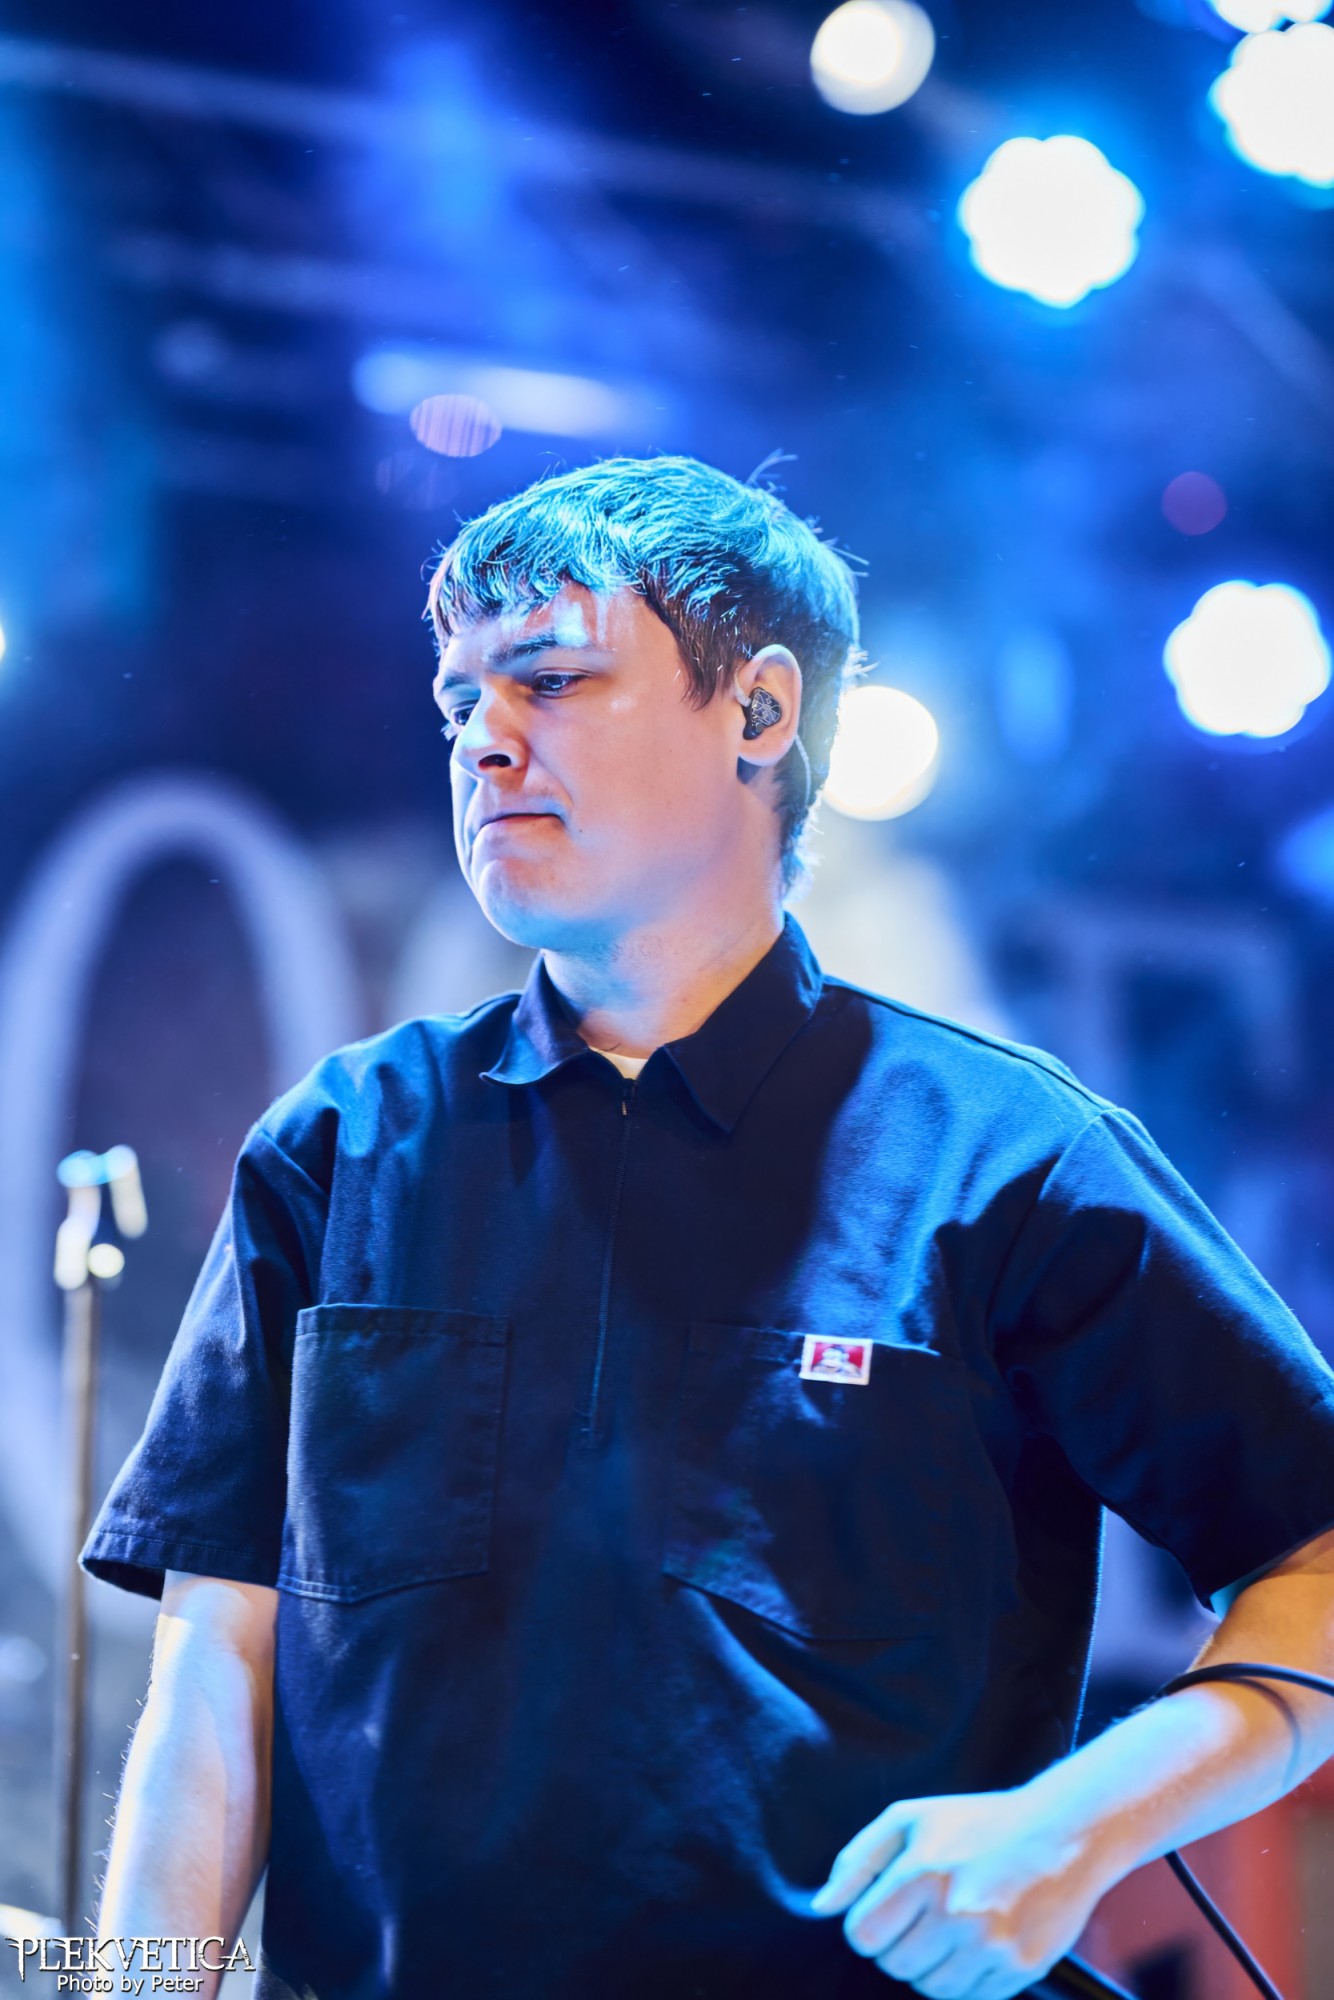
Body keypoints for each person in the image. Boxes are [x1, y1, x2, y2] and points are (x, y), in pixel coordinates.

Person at [83, 455, 1334, 2000]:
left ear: (757, 710)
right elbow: (214, 1669)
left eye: (551, 679)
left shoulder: (1008, 1160)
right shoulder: (340, 1145)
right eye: (460, 697)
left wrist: (1074, 1828)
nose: (482, 736)